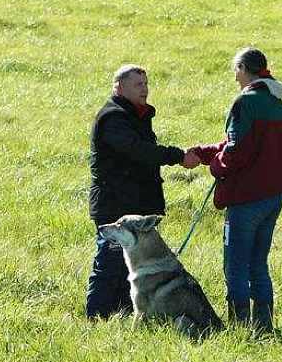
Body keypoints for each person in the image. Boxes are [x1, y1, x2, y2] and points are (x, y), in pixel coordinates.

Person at [86, 64, 200, 319]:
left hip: (133, 203)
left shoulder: (136, 115)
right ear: (119, 86)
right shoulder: (113, 117)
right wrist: (178, 156)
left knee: (127, 265)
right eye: (138, 84)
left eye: (146, 83)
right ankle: (96, 317)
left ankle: (122, 314)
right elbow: (138, 150)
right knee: (108, 263)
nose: (145, 89)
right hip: (115, 204)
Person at [190, 47, 282, 333]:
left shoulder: (245, 103)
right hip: (272, 195)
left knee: (235, 265)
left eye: (236, 70)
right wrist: (206, 152)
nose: (235, 77)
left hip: (247, 196)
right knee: (258, 263)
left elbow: (236, 152)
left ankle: (240, 326)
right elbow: (247, 144)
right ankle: (264, 325)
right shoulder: (274, 99)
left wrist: (215, 167)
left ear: (244, 68)